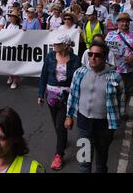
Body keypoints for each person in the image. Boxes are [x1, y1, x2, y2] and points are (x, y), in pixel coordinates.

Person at [65, 41, 125, 173]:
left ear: (105, 57)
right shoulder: (79, 73)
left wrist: (116, 122)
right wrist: (69, 116)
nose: (93, 57)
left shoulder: (115, 76)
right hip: (83, 125)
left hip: (104, 127)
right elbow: (72, 96)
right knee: (84, 163)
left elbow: (121, 100)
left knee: (101, 164)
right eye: (90, 54)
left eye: (97, 55)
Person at [38, 34, 81, 171]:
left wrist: (76, 101)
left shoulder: (75, 60)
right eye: (54, 44)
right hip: (51, 97)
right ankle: (62, 140)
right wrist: (40, 94)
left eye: (57, 44)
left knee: (60, 125)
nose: (54, 45)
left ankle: (59, 155)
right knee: (57, 125)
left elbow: (77, 81)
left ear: (65, 45)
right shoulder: (50, 56)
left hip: (66, 98)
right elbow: (44, 75)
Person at [105, 13, 133, 109]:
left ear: (129, 23)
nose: (124, 24)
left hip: (130, 70)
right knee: (114, 91)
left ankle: (123, 109)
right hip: (114, 70)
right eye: (122, 21)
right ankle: (117, 110)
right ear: (118, 23)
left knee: (129, 91)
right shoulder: (110, 35)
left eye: (126, 22)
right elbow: (104, 49)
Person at [6, 10, 22, 89]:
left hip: (16, 48)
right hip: (8, 46)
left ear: (16, 18)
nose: (11, 18)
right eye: (10, 16)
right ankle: (10, 76)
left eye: (13, 17)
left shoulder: (20, 27)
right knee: (8, 63)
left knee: (15, 64)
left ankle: (15, 81)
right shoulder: (8, 25)